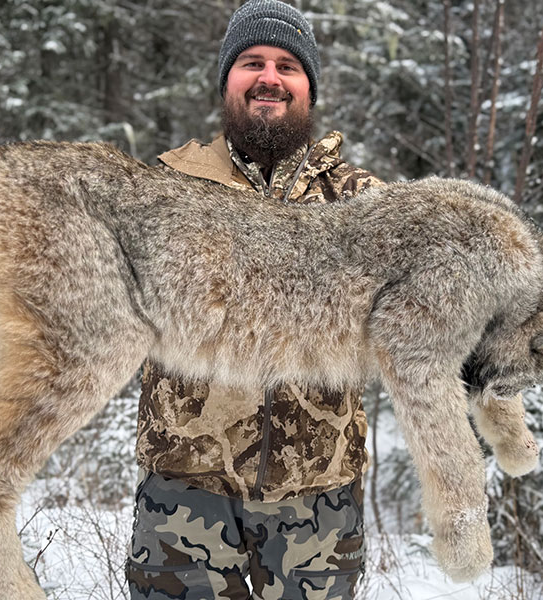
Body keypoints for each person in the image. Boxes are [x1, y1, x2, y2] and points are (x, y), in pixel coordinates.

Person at [126, 1, 382, 598]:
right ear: (227, 82)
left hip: (318, 503)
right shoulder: (162, 188)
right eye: (251, 61)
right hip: (183, 496)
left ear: (309, 89)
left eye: (288, 65)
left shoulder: (363, 203)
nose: (269, 77)